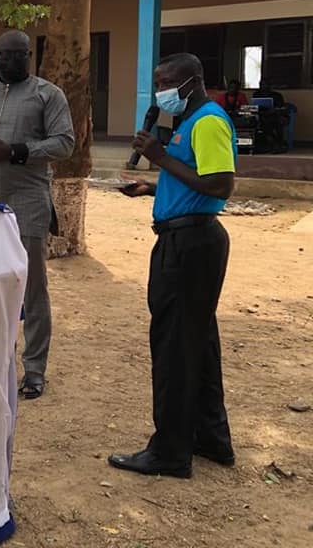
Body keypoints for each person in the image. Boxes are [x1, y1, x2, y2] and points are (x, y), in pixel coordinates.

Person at [109, 52, 236, 479]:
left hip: (191, 245)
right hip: (186, 237)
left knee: (174, 347)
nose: (160, 90)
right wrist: (151, 188)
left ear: (192, 82)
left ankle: (169, 451)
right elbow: (193, 177)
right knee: (197, 343)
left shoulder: (209, 121)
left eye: (166, 82)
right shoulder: (189, 121)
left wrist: (160, 157)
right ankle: (210, 438)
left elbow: (221, 184)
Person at [0, 30, 74, 399]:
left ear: (29, 55)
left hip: (29, 201)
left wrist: (17, 151)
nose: (9, 61)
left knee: (32, 287)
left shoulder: (47, 94)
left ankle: (34, 369)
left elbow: (64, 142)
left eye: (18, 55)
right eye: (3, 54)